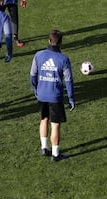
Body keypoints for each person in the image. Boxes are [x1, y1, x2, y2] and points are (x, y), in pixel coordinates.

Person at [30, 30, 75, 162]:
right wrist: (71, 98)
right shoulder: (64, 59)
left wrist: (36, 89)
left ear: (49, 41)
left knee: (44, 119)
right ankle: (55, 154)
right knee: (55, 125)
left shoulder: (38, 55)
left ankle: (44, 147)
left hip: (41, 95)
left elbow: (32, 75)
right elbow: (69, 80)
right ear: (60, 43)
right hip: (55, 96)